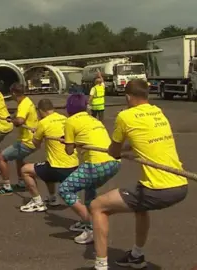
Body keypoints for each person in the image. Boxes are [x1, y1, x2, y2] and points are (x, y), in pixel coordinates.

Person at [90, 79, 188, 270]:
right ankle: (136, 256)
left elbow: (114, 151)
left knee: (97, 206)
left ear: (128, 97)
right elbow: (145, 141)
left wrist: (118, 151)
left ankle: (100, 266)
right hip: (180, 185)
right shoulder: (158, 112)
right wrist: (128, 149)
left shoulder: (125, 116)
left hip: (157, 190)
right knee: (140, 206)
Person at [59, 93, 120, 245]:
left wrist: (67, 142)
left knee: (65, 189)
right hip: (114, 162)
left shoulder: (70, 121)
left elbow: (68, 151)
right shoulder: (93, 119)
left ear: (69, 107)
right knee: (89, 189)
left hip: (96, 164)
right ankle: (88, 222)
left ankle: (92, 226)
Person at [20, 98, 79, 212]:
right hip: (74, 164)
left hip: (58, 168)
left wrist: (36, 133)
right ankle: (53, 198)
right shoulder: (65, 119)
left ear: (41, 110)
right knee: (47, 165)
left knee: (25, 170)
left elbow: (35, 144)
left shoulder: (43, 122)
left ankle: (37, 202)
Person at [0, 83, 38, 195]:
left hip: (27, 141)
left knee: (1, 158)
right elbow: (19, 114)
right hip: (30, 139)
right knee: (19, 159)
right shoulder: (26, 101)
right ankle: (22, 183)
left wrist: (14, 121)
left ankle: (7, 187)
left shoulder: (23, 105)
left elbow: (20, 121)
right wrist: (11, 117)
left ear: (13, 93)